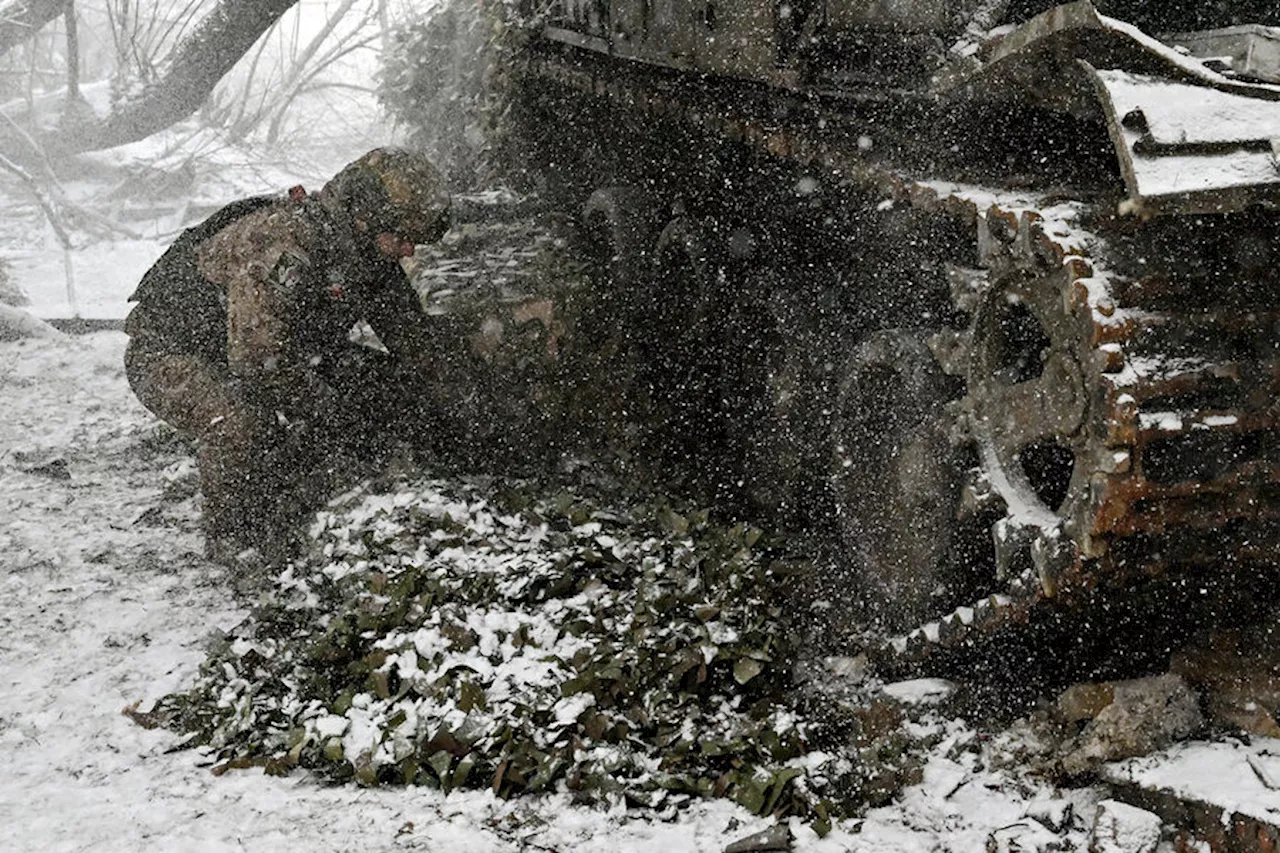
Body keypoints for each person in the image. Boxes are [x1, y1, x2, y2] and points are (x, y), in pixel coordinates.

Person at [124, 147, 451, 563]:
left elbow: (416, 342)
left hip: (272, 353)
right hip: (171, 353)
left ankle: (301, 477)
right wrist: (331, 414)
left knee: (383, 384)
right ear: (364, 215)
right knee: (243, 422)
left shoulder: (367, 251)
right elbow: (259, 363)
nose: (409, 251)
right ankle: (236, 540)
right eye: (403, 237)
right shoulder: (284, 242)